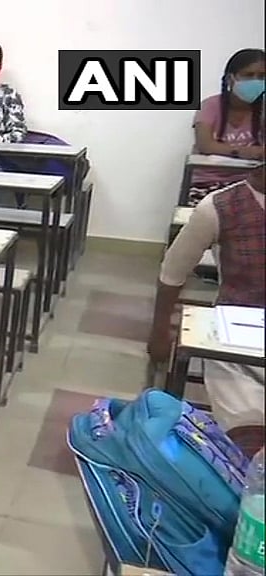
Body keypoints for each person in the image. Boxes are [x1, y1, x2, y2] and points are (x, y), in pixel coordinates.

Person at [148, 161, 264, 453]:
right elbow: (172, 273)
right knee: (252, 445)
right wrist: (160, 331)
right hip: (237, 350)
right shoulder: (220, 207)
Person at [187, 48, 265, 206]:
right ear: (230, 79)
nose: (256, 81)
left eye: (262, 77)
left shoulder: (263, 109)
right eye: (248, 75)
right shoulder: (210, 105)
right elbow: (206, 145)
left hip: (251, 185)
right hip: (208, 182)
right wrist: (242, 151)